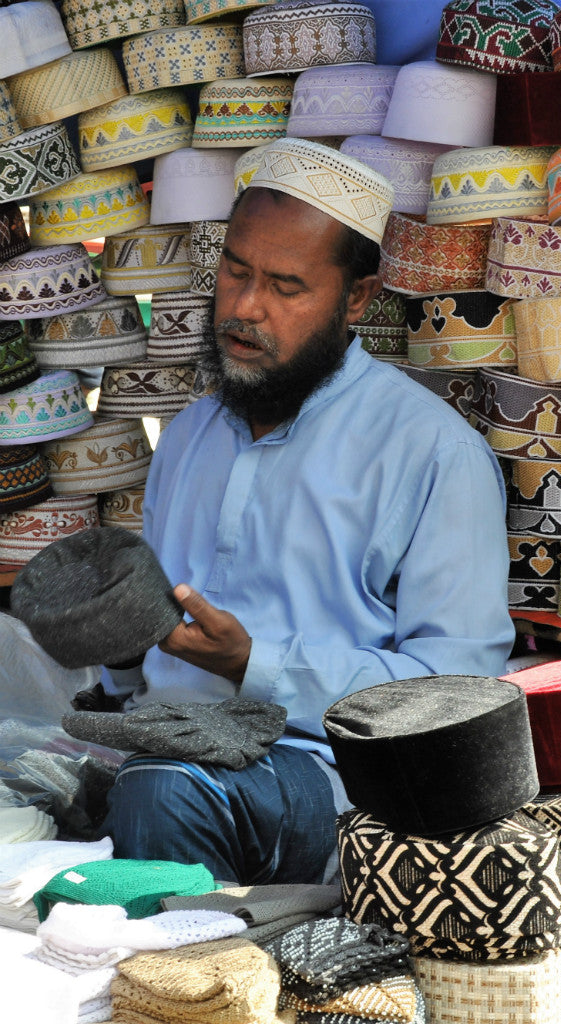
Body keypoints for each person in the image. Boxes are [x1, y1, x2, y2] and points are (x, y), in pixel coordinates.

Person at [94, 139, 516, 883]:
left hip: (330, 779)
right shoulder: (190, 434)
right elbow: (145, 676)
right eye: (235, 272)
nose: (247, 307)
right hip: (164, 748)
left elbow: (456, 692)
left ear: (355, 298)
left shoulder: (433, 454)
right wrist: (127, 647)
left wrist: (257, 664)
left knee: (167, 789)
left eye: (286, 287)